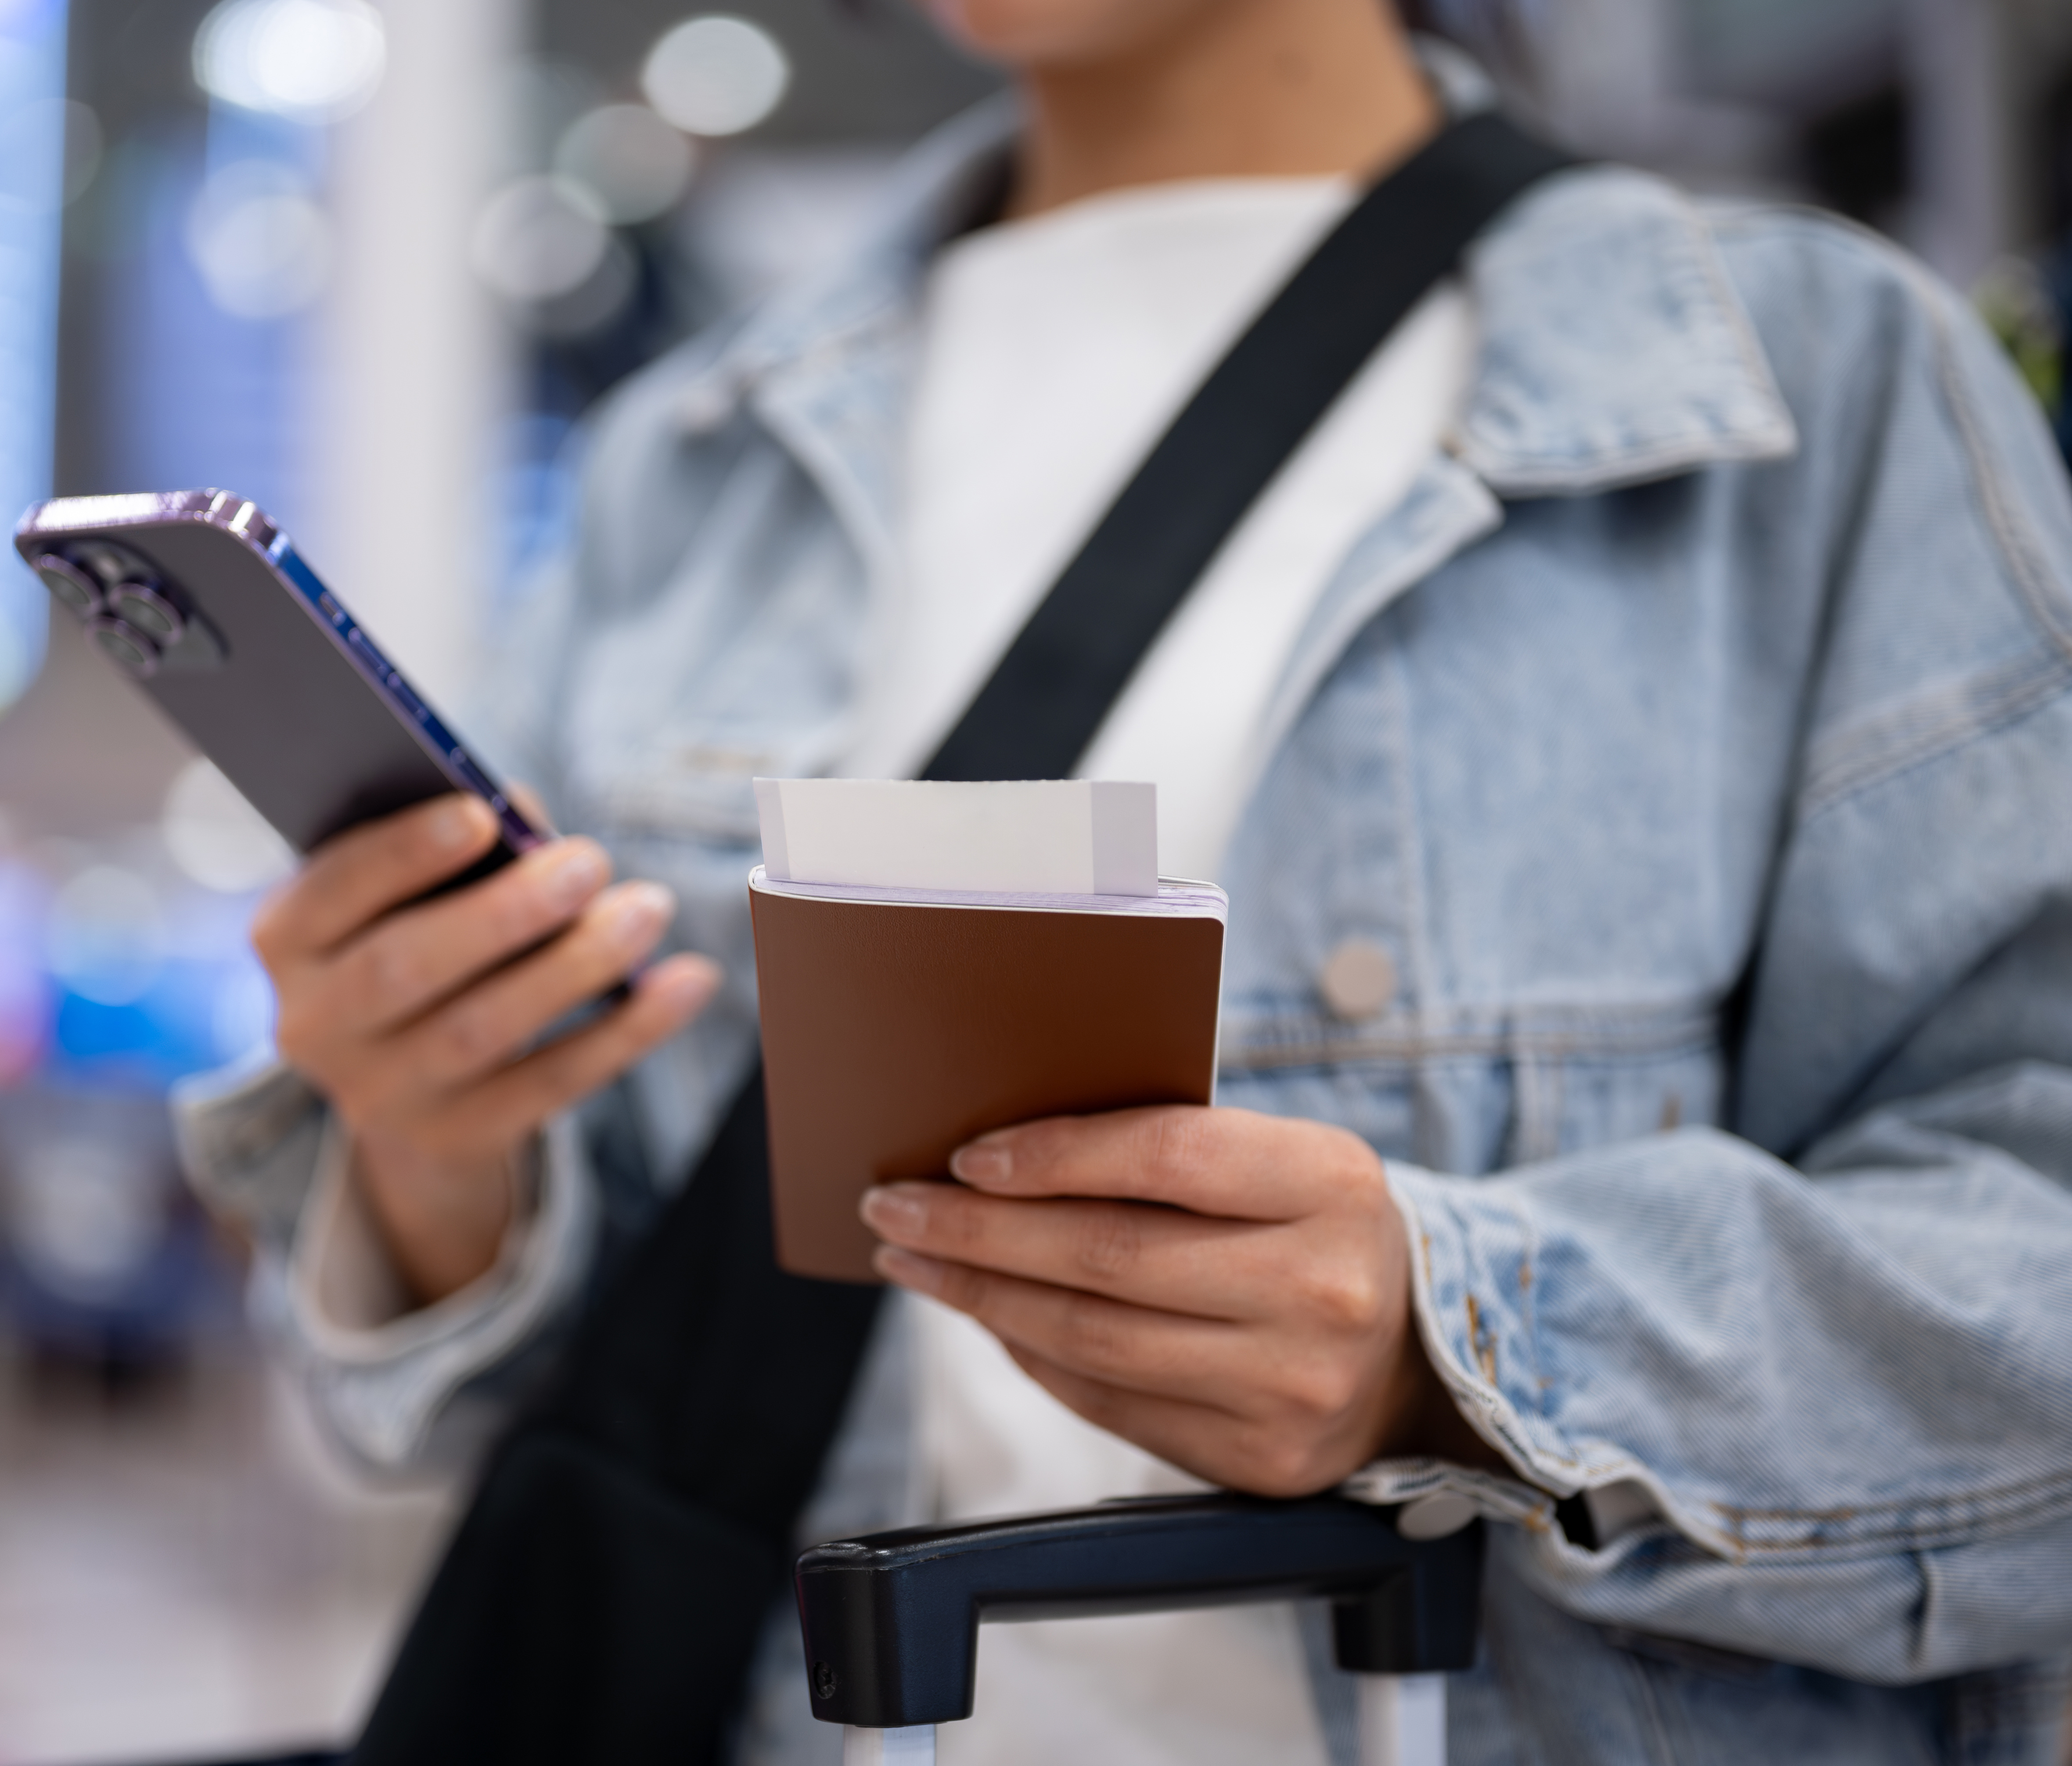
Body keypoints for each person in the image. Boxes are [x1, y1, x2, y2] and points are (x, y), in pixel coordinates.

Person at [176, 0, 2072, 1758]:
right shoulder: (688, 461)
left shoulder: (1796, 388)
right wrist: (434, 1142)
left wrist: (1458, 1340)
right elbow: (590, 1376)